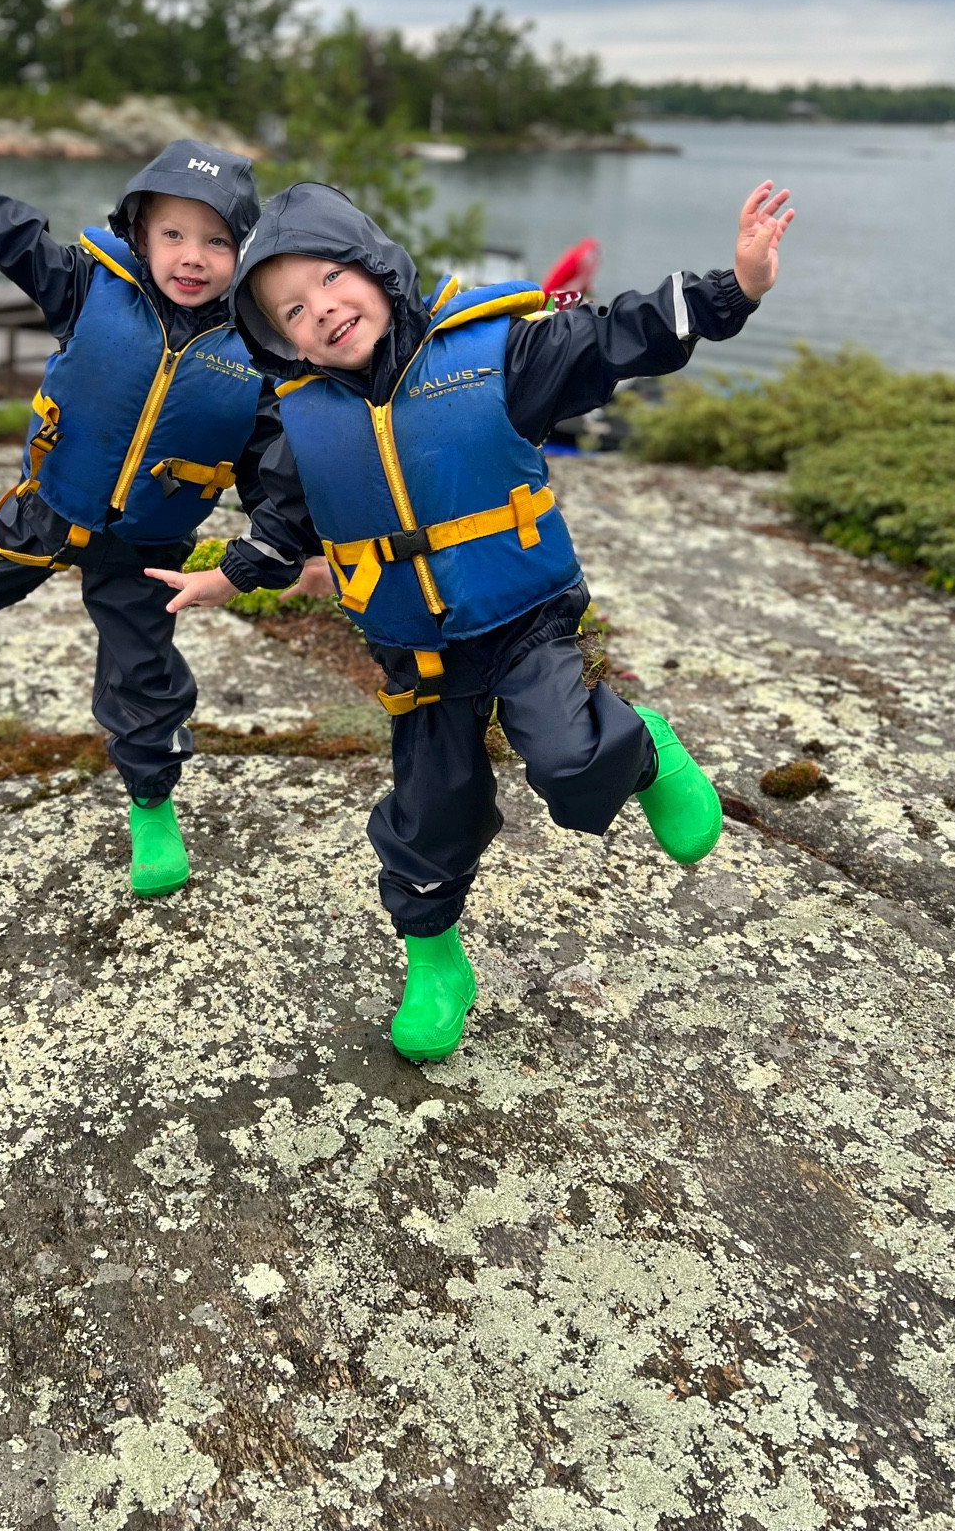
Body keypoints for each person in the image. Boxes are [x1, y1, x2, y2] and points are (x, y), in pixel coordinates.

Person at [147, 177, 794, 1062]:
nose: (322, 312)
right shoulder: (303, 422)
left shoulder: (499, 354)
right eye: (292, 311)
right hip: (417, 654)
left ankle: (642, 748)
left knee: (569, 762)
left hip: (523, 618)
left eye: (332, 279)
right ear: (279, 340)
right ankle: (437, 961)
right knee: (430, 813)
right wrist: (231, 576)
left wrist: (735, 286)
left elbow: (618, 339)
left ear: (374, 265)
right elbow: (283, 524)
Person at [0, 74, 310, 899]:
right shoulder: (89, 285)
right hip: (50, 507)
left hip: (146, 545)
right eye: (172, 234)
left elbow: (282, 481)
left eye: (214, 241)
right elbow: (8, 231)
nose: (191, 257)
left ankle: (152, 803)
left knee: (143, 678)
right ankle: (3, 524)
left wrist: (255, 561)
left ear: (246, 254)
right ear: (140, 231)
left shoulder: (260, 356)